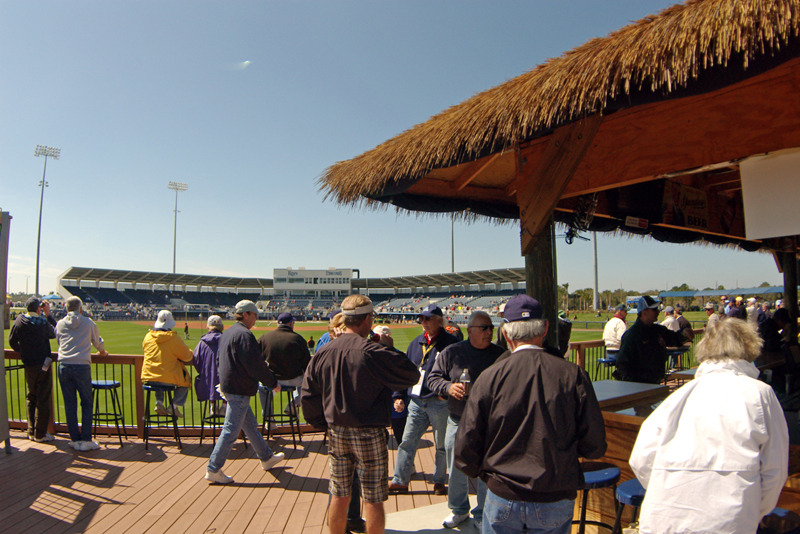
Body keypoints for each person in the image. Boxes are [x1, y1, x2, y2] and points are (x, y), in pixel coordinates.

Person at [455, 294, 607, 534]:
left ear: (505, 333)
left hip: (502, 495)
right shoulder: (572, 375)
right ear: (545, 328)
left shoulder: (489, 377)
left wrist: (487, 476)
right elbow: (595, 445)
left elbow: (464, 449)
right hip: (554, 495)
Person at [630, 318, 789, 534]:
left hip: (664, 518)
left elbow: (641, 458)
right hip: (730, 521)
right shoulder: (760, 394)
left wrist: (668, 488)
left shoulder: (680, 396)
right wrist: (753, 510)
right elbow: (775, 471)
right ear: (750, 348)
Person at [301, 294, 420, 534]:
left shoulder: (323, 352)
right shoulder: (372, 351)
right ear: (367, 320)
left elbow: (307, 395)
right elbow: (411, 374)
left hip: (337, 430)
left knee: (339, 493)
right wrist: (386, 345)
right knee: (373, 498)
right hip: (368, 431)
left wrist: (322, 423)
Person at [428, 311, 504, 529]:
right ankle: (459, 510)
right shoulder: (453, 352)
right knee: (457, 467)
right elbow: (433, 378)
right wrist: (448, 387)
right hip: (458, 419)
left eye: (491, 328)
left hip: (488, 422)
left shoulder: (500, 355)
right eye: (484, 328)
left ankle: (482, 513)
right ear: (470, 330)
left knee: (485, 470)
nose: (489, 332)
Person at [205, 300, 285, 484]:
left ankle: (266, 457)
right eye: (255, 315)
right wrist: (272, 382)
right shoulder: (244, 335)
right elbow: (255, 365)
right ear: (246, 314)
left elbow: (219, 361)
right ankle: (213, 468)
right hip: (239, 388)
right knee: (231, 430)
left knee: (249, 424)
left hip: (230, 386)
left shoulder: (228, 333)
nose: (256, 318)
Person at [389, 304, 458, 495]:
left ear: (439, 320)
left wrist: (445, 391)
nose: (424, 322)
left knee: (441, 445)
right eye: (422, 319)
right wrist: (399, 396)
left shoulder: (451, 343)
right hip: (417, 402)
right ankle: (400, 480)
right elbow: (407, 372)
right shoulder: (416, 343)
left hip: (439, 402)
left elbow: (457, 373)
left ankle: (439, 481)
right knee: (407, 441)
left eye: (428, 318)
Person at [55, 296, 108, 451]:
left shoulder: (60, 324)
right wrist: (103, 352)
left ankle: (74, 439)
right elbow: (97, 343)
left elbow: (59, 342)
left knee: (69, 404)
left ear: (66, 308)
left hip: (64, 364)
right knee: (86, 403)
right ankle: (86, 439)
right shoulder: (88, 323)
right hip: (82, 365)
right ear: (80, 308)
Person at [9, 297, 57, 442]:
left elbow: (12, 341)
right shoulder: (42, 323)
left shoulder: (19, 320)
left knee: (31, 396)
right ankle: (40, 434)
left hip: (29, 364)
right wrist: (48, 314)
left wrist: (23, 352)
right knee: (43, 398)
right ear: (38, 309)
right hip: (43, 364)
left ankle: (31, 431)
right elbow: (55, 332)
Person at [615, 296, 690, 384]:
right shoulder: (632, 335)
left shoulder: (658, 330)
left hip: (655, 383)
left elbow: (677, 339)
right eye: (654, 309)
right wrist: (633, 385)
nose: (658, 311)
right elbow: (622, 364)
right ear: (644, 313)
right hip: (639, 386)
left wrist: (687, 334)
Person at [258, 312, 311, 421]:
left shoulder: (264, 337)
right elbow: (307, 365)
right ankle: (293, 404)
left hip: (272, 380)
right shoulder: (298, 339)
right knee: (308, 384)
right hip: (294, 380)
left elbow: (256, 359)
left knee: (262, 389)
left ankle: (269, 419)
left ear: (278, 324)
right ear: (291, 324)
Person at [141, 310, 193, 418]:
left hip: (149, 377)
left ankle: (159, 402)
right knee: (186, 381)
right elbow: (187, 356)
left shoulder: (147, 337)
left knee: (158, 379)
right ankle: (173, 406)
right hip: (167, 378)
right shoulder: (173, 338)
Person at [193, 315, 225, 415]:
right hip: (225, 380)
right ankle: (224, 406)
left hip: (207, 381)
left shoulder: (202, 343)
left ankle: (212, 405)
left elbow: (196, 360)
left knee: (208, 379)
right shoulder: (227, 340)